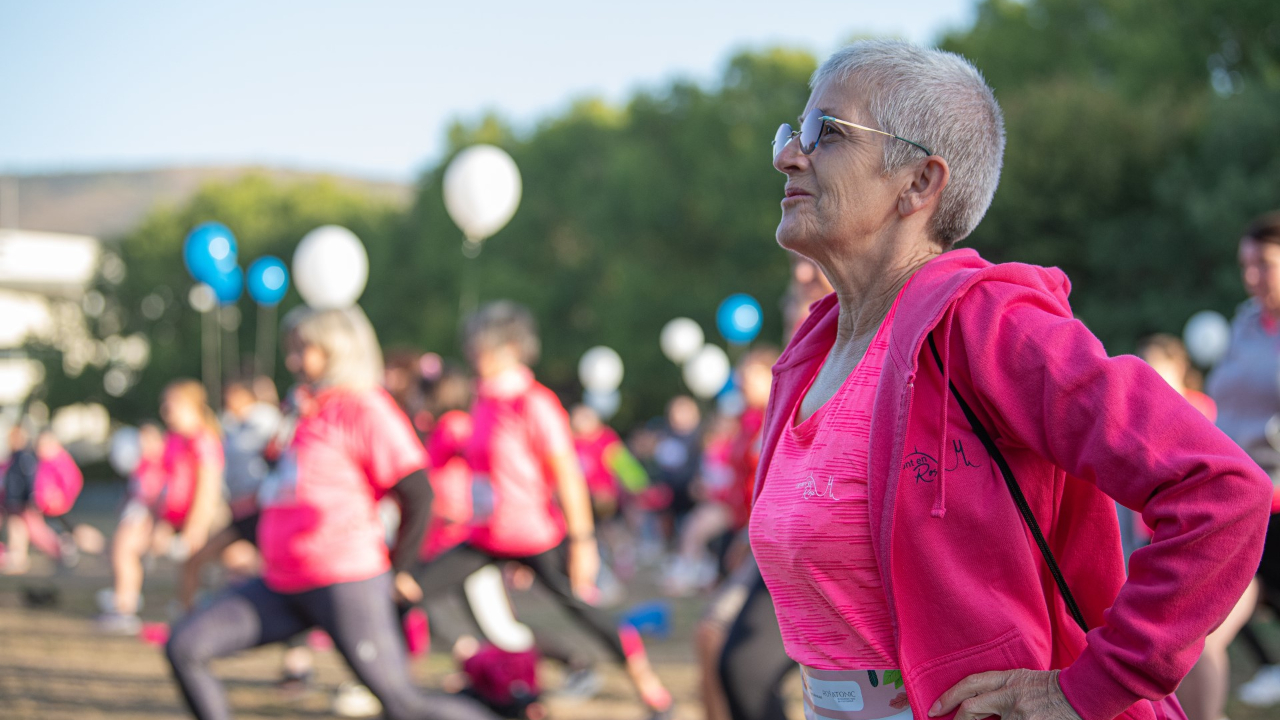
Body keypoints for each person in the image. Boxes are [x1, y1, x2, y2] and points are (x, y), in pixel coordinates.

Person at [750, 39, 1270, 720]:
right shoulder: (811, 350)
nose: (789, 154)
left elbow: (1222, 490)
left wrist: (1092, 686)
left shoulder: (986, 323)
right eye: (795, 131)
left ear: (919, 183)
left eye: (828, 133)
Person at [165, 306, 498, 720]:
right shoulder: (308, 411)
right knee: (185, 646)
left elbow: (417, 491)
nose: (292, 360)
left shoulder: (364, 407)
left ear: (335, 350)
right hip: (284, 583)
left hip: (346, 582)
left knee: (402, 703)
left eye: (302, 349)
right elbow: (284, 499)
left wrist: (402, 569)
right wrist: (217, 542)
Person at [411, 300, 674, 719]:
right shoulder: (482, 401)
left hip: (536, 536)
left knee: (585, 614)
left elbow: (567, 475)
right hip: (484, 537)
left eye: (484, 344)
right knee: (410, 590)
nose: (474, 352)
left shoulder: (535, 403)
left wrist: (582, 543)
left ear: (512, 347)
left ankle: (651, 689)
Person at [1203, 212, 1280, 711]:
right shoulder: (1244, 322)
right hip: (1241, 501)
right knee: (1202, 634)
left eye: (1264, 264)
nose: (1251, 275)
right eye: (1245, 264)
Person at [101, 381, 225, 633]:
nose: (166, 408)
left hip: (205, 517)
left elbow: (207, 490)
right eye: (164, 402)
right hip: (172, 518)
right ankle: (125, 608)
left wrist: (195, 528)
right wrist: (161, 523)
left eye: (173, 402)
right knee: (125, 544)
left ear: (191, 405)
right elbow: (164, 486)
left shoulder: (202, 440)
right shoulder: (173, 439)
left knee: (234, 564)